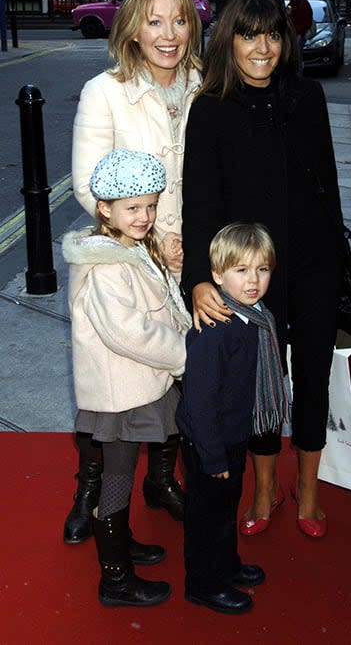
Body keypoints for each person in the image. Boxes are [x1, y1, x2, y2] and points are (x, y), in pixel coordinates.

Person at [181, 0, 349, 540]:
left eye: (273, 34)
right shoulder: (209, 109)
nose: (262, 47)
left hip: (314, 263)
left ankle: (308, 494)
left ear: (286, 40)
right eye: (249, 34)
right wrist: (200, 279)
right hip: (252, 276)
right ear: (229, 39)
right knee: (260, 380)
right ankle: (262, 489)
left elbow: (327, 189)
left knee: (314, 374)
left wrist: (342, 269)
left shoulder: (307, 98)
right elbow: (200, 202)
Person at [64, 0, 202, 544]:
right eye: (154, 20)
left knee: (176, 382)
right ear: (133, 29)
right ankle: (91, 491)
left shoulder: (205, 82)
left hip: (192, 254)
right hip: (127, 254)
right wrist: (147, 238)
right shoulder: (106, 90)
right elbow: (86, 184)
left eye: (179, 19)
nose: (168, 34)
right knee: (115, 390)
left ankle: (162, 481)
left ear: (193, 25)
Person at [63, 148, 192, 606]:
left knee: (124, 471)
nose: (145, 215)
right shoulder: (108, 266)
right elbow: (128, 332)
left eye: (151, 205)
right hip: (120, 394)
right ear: (105, 209)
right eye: (133, 208)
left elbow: (155, 299)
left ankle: (122, 543)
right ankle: (115, 578)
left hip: (136, 385)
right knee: (116, 478)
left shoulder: (130, 250)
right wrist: (183, 354)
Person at [176, 222, 287, 614]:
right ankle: (205, 584)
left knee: (226, 509)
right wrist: (212, 457)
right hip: (211, 441)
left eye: (262, 269)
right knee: (208, 517)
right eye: (241, 271)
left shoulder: (255, 315)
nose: (253, 280)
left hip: (233, 434)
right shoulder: (217, 329)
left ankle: (225, 564)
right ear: (218, 275)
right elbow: (199, 401)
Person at [286, 0, 313, 72]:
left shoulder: (303, 3)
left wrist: (299, 33)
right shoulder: (291, 4)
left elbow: (307, 20)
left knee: (297, 57)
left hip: (298, 33)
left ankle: (298, 76)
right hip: (290, 33)